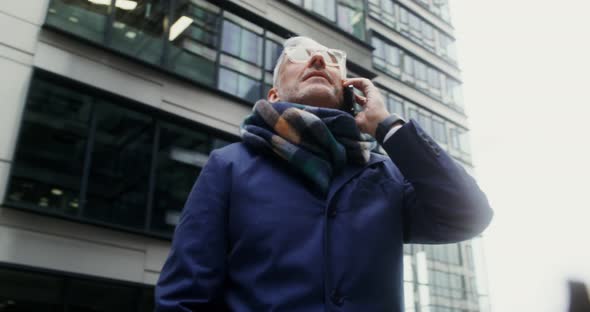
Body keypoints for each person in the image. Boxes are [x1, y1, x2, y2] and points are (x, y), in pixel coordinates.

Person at [155, 36, 493, 312]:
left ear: (349, 94)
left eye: (332, 59)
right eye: (299, 55)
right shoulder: (229, 166)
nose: (318, 60)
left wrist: (388, 127)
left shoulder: (384, 173)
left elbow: (469, 216)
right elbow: (185, 298)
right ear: (274, 95)